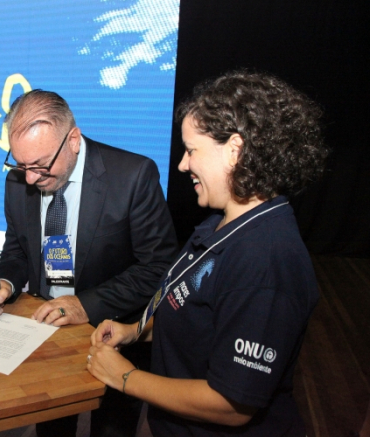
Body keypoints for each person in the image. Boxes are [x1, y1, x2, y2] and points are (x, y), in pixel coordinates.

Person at [87, 71, 328, 436]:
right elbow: (193, 314)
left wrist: (125, 377)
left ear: (234, 150)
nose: (183, 165)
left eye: (191, 150)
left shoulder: (266, 260)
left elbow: (231, 405)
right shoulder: (218, 224)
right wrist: (135, 331)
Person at [0, 89, 179, 437]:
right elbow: (17, 250)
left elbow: (158, 266)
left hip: (114, 333)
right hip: (46, 332)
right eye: (21, 164)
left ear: (73, 140)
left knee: (111, 429)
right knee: (52, 428)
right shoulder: (18, 180)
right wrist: (5, 281)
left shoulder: (132, 175)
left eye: (39, 165)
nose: (30, 178)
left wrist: (85, 305)